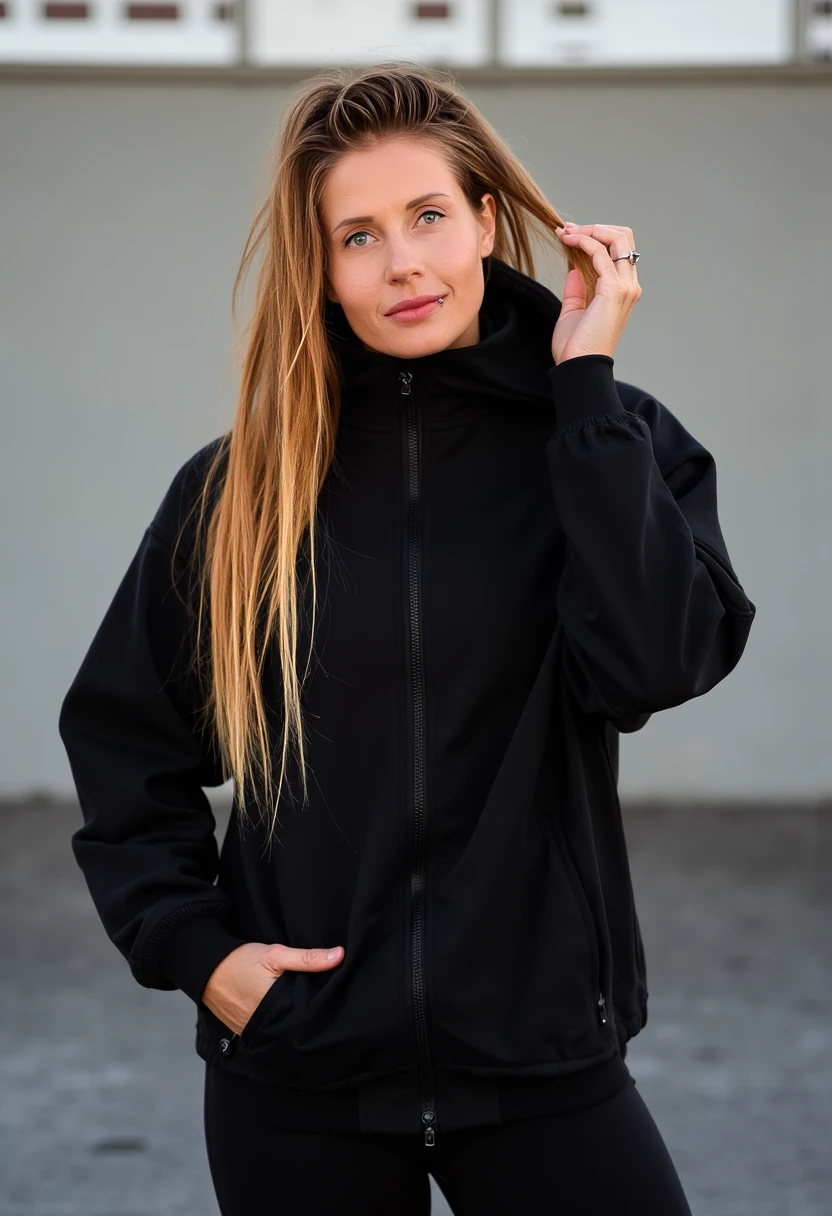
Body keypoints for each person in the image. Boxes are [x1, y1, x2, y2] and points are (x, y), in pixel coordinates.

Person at [58, 61, 756, 1215]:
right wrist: (199, 952)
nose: (403, 264)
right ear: (322, 270)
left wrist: (583, 388)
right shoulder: (241, 491)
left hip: (540, 1055)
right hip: (299, 1070)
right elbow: (125, 740)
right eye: (358, 236)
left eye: (428, 216)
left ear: (487, 220)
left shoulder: (612, 443)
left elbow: (658, 662)